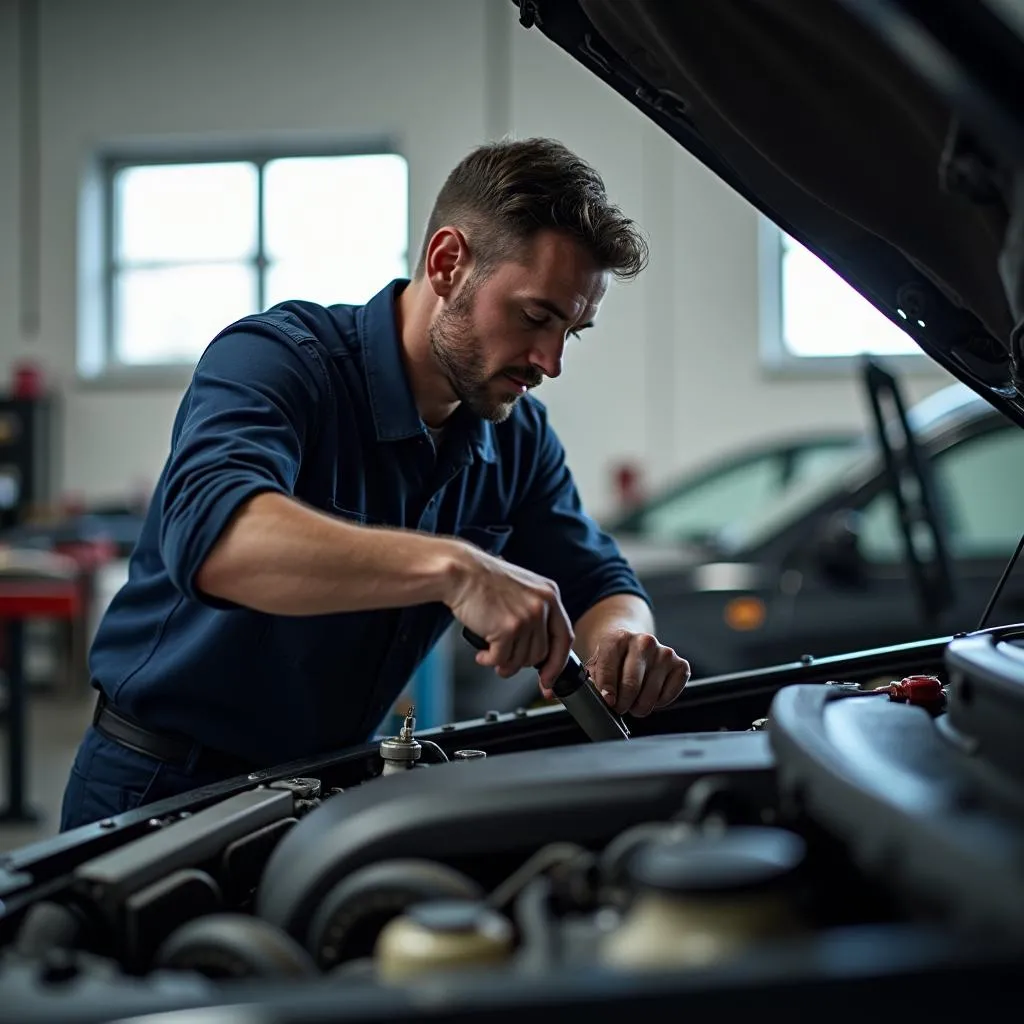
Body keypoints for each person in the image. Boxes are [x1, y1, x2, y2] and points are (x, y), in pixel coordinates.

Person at [59, 137, 691, 831]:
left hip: (327, 793)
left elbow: (600, 582)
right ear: (448, 263)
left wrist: (623, 641)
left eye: (573, 330)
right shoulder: (276, 362)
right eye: (536, 316)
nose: (550, 360)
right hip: (158, 790)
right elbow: (218, 540)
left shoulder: (517, 437)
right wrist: (457, 569)